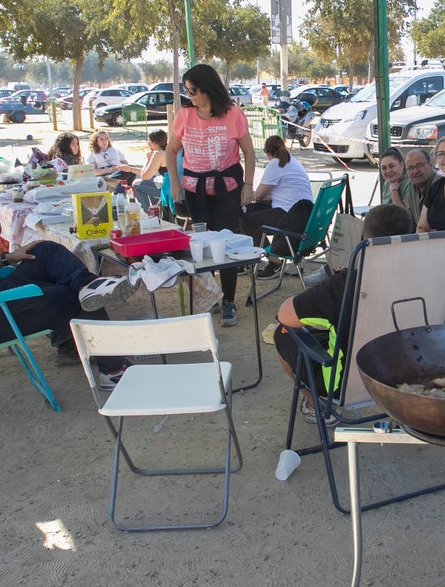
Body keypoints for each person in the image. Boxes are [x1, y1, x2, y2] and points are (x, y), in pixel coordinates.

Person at [0, 239, 131, 384]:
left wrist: (7, 258)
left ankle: (89, 285)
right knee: (74, 297)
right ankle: (113, 371)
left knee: (45, 250)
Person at [274, 204, 414, 422]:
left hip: (345, 384)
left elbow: (285, 316)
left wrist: (331, 290)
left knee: (282, 332)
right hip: (406, 376)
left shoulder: (347, 284)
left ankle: (316, 407)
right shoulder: (424, 278)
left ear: (364, 239)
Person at [166, 63, 256, 327]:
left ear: (207, 88)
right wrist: (174, 183)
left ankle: (228, 300)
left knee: (226, 244)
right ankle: (210, 295)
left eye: (193, 90)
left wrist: (248, 185)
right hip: (195, 190)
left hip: (226, 187)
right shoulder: (184, 115)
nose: (190, 95)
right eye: (187, 91)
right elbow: (171, 150)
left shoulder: (233, 114)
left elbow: (249, 152)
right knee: (202, 245)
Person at [240, 135, 313, 279]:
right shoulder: (294, 162)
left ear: (267, 153)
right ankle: (262, 258)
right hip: (305, 214)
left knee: (246, 220)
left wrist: (248, 194)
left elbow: (259, 194)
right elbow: (280, 192)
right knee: (254, 211)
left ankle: (273, 262)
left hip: (290, 217)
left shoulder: (275, 163)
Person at [117, 129, 168, 209]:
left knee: (136, 184)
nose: (147, 142)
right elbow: (149, 172)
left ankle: (147, 211)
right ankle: (156, 208)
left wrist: (148, 159)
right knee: (152, 180)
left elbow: (145, 176)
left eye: (148, 140)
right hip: (171, 185)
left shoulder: (158, 154)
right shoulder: (167, 150)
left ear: (153, 142)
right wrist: (130, 169)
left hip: (167, 188)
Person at [400, 148, 434, 227]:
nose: (415, 171)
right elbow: (411, 221)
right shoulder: (412, 185)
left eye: (420, 165)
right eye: (410, 168)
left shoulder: (439, 184)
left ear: (431, 165)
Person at [378, 148, 412, 220]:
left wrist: (394, 192)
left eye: (391, 166)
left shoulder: (410, 183)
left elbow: (405, 217)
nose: (388, 171)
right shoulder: (387, 182)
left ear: (402, 165)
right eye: (384, 168)